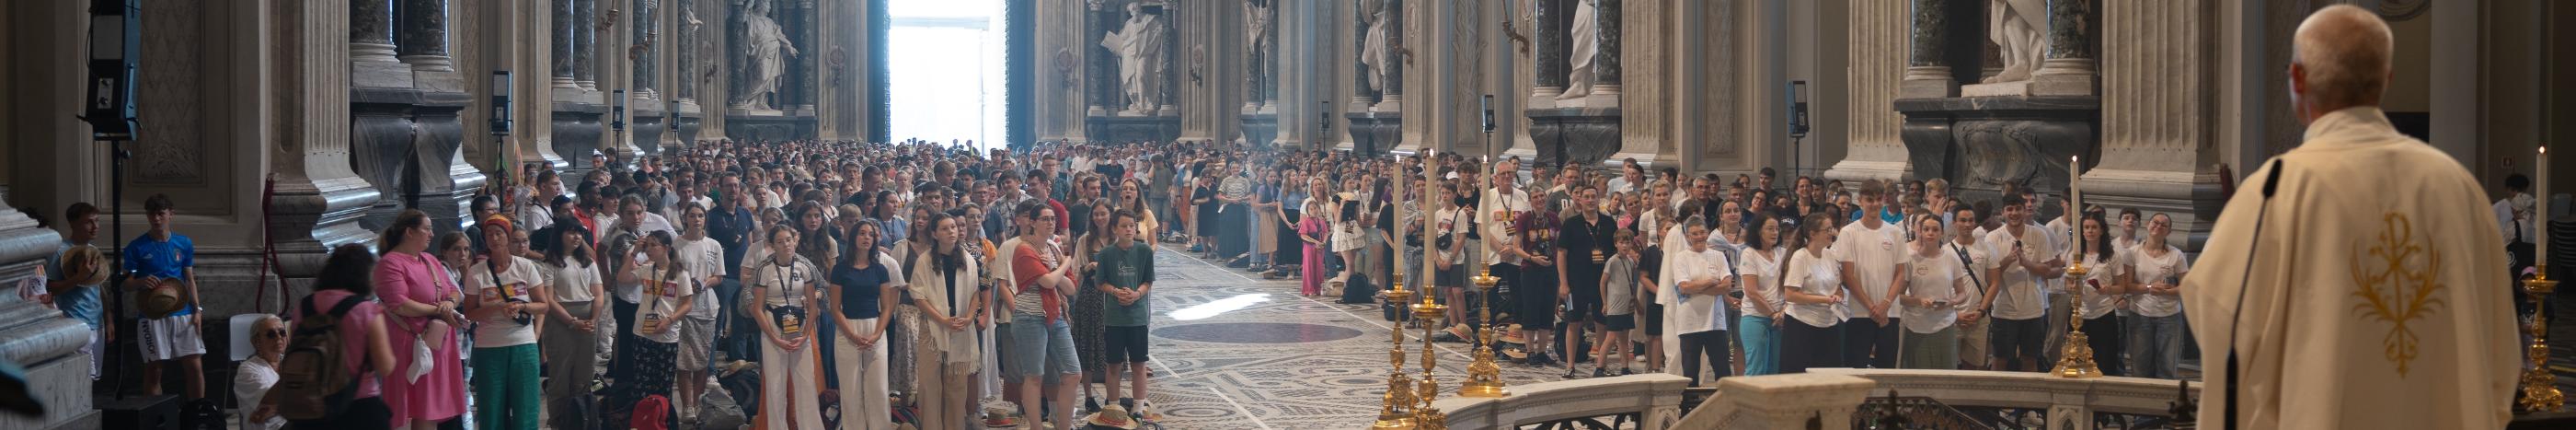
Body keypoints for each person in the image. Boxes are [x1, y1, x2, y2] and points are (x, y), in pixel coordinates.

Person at [276, 244, 400, 430]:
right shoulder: (366, 310)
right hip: (360, 406)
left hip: (311, 405)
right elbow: (385, 366)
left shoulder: (304, 306)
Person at [372, 210, 467, 430]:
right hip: (410, 343)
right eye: (427, 229)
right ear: (409, 232)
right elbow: (400, 303)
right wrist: (438, 309)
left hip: (437, 341)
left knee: (430, 408)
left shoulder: (430, 260)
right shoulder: (391, 263)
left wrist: (449, 304)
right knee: (410, 406)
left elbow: (453, 290)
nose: (432, 234)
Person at [462, 216, 551, 430]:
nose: (494, 238)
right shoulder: (477, 272)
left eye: (499, 233)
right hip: (489, 345)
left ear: (508, 236)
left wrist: (522, 306)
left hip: (523, 342)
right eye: (489, 234)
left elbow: (543, 305)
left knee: (526, 404)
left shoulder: (525, 267)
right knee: (491, 406)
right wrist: (496, 307)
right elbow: (470, 313)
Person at [1005, 202, 1083, 430]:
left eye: (1053, 219)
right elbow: (1048, 282)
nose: (1050, 223)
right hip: (1029, 317)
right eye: (1045, 219)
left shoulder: (1054, 248)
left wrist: (1055, 269)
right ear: (1032, 222)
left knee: (1072, 373)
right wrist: (1066, 263)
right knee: (1034, 376)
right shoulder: (1024, 249)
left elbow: (1070, 288)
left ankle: (1064, 425)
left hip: (1055, 315)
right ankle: (1036, 427)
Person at [125, 194, 210, 401]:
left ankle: (197, 413)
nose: (156, 219)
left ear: (170, 215)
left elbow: (189, 279)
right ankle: (155, 417)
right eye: (151, 214)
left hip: (182, 312)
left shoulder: (183, 243)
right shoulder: (136, 247)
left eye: (161, 214)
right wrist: (141, 281)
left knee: (194, 366)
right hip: (151, 314)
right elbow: (125, 283)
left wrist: (197, 310)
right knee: (154, 370)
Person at [908, 214, 986, 430]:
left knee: (956, 386)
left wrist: (970, 318)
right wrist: (942, 319)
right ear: (934, 234)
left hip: (960, 326)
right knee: (929, 385)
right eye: (945, 228)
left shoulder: (968, 259)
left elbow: (974, 293)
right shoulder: (925, 260)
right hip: (933, 328)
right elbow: (918, 295)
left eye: (953, 227)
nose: (952, 231)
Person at [748, 225, 824, 430]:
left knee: (807, 383)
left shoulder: (804, 266)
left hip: (800, 326)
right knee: (775, 385)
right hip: (773, 324)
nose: (786, 245)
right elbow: (757, 309)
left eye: (789, 240)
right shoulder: (764, 269)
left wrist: (806, 334)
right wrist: (774, 338)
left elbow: (813, 306)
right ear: (772, 245)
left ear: (795, 240)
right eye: (780, 242)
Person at [1976, 193, 2062, 372]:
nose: (2014, 213)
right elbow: (1989, 276)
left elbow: (2047, 270)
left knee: (2030, 358)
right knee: (2000, 359)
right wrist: (2008, 260)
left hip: (2033, 309)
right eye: (2010, 209)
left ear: (2025, 211)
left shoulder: (2039, 235)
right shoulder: (1993, 237)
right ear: (2003, 213)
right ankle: (1998, 399)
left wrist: (2026, 263)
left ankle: (2027, 399)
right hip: (2004, 309)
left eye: (2018, 209)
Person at [621, 231, 697, 429]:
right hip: (642, 333)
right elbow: (622, 278)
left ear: (666, 248)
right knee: (642, 385)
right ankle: (642, 422)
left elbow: (687, 303)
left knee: (663, 387)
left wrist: (670, 320)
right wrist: (634, 252)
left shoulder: (680, 274)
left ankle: (661, 422)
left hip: (667, 336)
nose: (649, 250)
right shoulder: (646, 269)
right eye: (648, 246)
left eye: (654, 245)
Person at [829, 220, 900, 429]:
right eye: (862, 233)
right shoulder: (840, 270)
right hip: (847, 328)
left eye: (870, 234)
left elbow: (887, 307)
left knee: (878, 387)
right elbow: (835, 307)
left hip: (875, 328)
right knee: (850, 388)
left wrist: (878, 333)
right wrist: (851, 334)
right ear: (853, 238)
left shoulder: (880, 270)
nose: (867, 237)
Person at [1091, 211, 1156, 420]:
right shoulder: (1107, 254)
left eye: (1132, 226)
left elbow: (1148, 281)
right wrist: (1115, 291)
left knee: (1139, 364)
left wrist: (1136, 294)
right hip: (1114, 318)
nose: (1129, 229)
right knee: (1113, 364)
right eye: (1124, 226)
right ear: (1115, 229)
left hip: (1137, 317)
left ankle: (1138, 407)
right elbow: (1100, 282)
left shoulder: (1144, 250)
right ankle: (1113, 406)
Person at [1834, 180, 1906, 369]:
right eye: (1869, 200)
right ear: (1860, 201)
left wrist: (1885, 304)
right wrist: (1872, 307)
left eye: (1878, 199)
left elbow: (1900, 273)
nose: (1874, 204)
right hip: (1858, 312)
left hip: (1889, 312)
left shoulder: (1895, 233)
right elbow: (1848, 276)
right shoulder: (1849, 232)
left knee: (1886, 367)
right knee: (1855, 368)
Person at [669, 203, 728, 423]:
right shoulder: (676, 245)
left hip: (707, 308)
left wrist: (703, 284)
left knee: (702, 360)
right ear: (685, 219)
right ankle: (686, 407)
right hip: (682, 308)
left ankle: (697, 402)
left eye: (700, 216)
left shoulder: (713, 245)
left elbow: (718, 276)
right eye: (692, 215)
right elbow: (669, 274)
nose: (696, 219)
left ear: (705, 219)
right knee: (684, 360)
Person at [541, 224, 607, 401]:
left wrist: (593, 319)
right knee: (560, 373)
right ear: (559, 236)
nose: (577, 236)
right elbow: (549, 299)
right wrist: (571, 321)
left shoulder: (588, 262)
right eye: (571, 232)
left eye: (579, 232)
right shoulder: (550, 263)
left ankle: (582, 417)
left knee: (585, 374)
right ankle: (559, 421)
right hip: (561, 320)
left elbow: (598, 294)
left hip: (588, 320)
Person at [1897, 214, 1972, 370]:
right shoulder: (1910, 260)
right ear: (1920, 232)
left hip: (1944, 322)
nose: (1930, 233)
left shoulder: (1951, 258)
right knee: (1916, 371)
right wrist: (1919, 301)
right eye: (1926, 229)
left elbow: (1962, 293)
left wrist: (1951, 302)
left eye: (1935, 229)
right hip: (1915, 324)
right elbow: (1899, 296)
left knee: (1944, 372)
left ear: (1942, 233)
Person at [1557, 184, 1615, 378]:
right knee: (1574, 322)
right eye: (1586, 197)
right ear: (1579, 200)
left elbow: (1615, 254)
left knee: (1601, 323)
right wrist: (1563, 283)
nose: (1590, 200)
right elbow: (1562, 254)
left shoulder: (1608, 223)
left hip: (1602, 283)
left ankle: (1601, 365)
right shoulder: (1571, 224)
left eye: (1593, 197)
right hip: (1576, 282)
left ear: (1599, 200)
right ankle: (1570, 365)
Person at [1668, 218, 1734, 384]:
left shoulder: (1718, 256)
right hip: (1689, 322)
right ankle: (1690, 408)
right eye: (1694, 234)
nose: (1699, 237)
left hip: (1715, 322)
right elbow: (1683, 287)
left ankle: (1725, 405)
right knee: (1690, 372)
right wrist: (1711, 282)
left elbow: (1726, 286)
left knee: (1723, 369)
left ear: (1708, 233)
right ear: (1687, 236)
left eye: (1702, 232)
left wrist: (1696, 287)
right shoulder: (1681, 258)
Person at [45, 203, 107, 379]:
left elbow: (98, 287)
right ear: (73, 224)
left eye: (97, 221)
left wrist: (108, 319)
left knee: (93, 379)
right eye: (89, 222)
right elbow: (51, 288)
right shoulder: (60, 251)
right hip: (75, 321)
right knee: (81, 377)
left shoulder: (93, 250)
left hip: (97, 322)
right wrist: (78, 278)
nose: (95, 227)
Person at [1780, 213, 1847, 374]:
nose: (1832, 232)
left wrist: (1838, 296)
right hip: (1801, 325)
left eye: (1832, 228)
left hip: (1828, 323)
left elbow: (1838, 286)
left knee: (1829, 375)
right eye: (1828, 229)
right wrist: (1824, 300)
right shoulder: (1800, 257)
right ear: (1812, 234)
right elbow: (1790, 295)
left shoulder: (1829, 255)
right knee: (1799, 377)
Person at [2064, 211, 2129, 377]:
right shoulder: (2075, 255)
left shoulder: (2112, 256)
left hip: (2103, 314)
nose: (2090, 231)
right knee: (2078, 362)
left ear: (2101, 230)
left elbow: (2121, 287)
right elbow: (2067, 284)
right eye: (2086, 227)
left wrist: (2107, 289)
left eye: (2094, 227)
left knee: (2104, 362)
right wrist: (2073, 288)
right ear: (2082, 231)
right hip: (2079, 314)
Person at [1732, 215, 1786, 376]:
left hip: (1780, 318)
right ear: (1758, 231)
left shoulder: (1783, 253)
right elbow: (1751, 292)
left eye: (1777, 229)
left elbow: (1790, 286)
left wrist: (1783, 311)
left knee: (1775, 369)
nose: (1775, 232)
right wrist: (1773, 313)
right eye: (1770, 229)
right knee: (1756, 368)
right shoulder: (1749, 254)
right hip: (1755, 316)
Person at [1595, 230, 1643, 377]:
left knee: (1624, 338)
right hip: (1615, 305)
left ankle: (1624, 368)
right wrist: (1605, 303)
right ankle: (1599, 368)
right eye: (1622, 242)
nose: (1625, 245)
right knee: (1611, 338)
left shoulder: (1629, 261)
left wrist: (1636, 304)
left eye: (1628, 242)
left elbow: (1631, 285)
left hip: (1627, 305)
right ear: (1616, 244)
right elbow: (1603, 282)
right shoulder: (1613, 261)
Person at [234, 315, 288, 430]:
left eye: (282, 332)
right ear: (256, 341)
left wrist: (273, 409)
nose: (279, 337)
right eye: (271, 334)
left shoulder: (289, 361)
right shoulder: (247, 369)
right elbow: (268, 399)